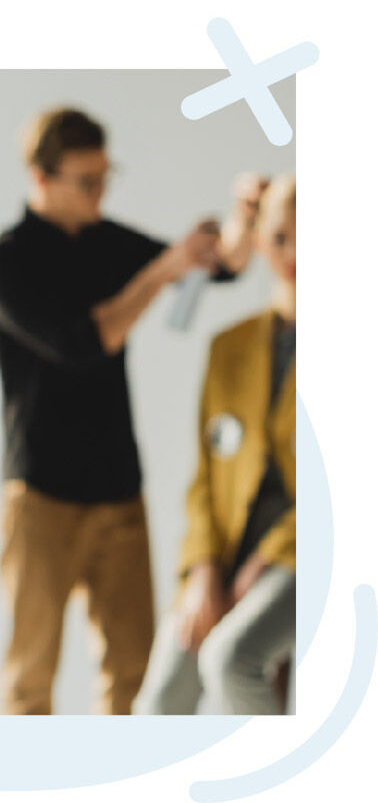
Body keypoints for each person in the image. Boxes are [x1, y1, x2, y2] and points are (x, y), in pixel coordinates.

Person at [0, 107, 264, 714]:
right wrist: (163, 270)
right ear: (41, 178)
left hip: (119, 494)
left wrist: (243, 219)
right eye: (87, 181)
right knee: (31, 679)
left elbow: (221, 269)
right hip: (39, 500)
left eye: (107, 177)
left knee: (133, 675)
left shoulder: (107, 242)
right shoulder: (4, 263)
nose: (100, 193)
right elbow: (84, 343)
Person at [134, 174, 296, 715]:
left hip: (308, 552)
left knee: (231, 660)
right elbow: (205, 474)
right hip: (225, 549)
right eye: (279, 238)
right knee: (162, 699)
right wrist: (202, 569)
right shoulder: (230, 347)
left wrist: (267, 561)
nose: (293, 254)